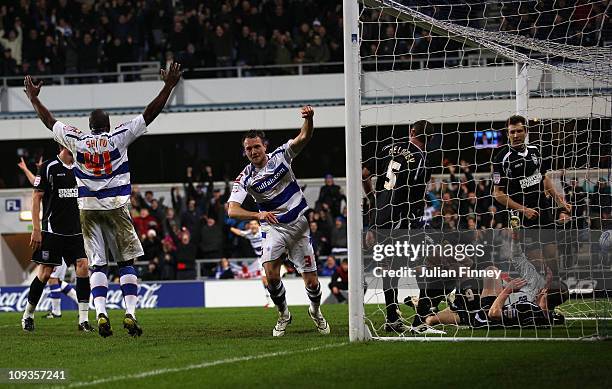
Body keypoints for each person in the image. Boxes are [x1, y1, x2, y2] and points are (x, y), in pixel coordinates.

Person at [23, 62, 182, 337]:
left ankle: (100, 313)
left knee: (97, 264)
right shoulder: (118, 138)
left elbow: (49, 122)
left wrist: (34, 98)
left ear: (89, 126)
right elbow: (149, 114)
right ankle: (130, 313)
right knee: (125, 263)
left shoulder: (77, 140)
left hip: (87, 210)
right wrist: (168, 86)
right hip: (116, 207)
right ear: (107, 125)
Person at [228, 106, 330, 337]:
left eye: (256, 146)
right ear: (244, 152)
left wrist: (309, 119)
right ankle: (284, 314)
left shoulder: (282, 156)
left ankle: (315, 311)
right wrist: (258, 215)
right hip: (273, 228)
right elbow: (232, 210)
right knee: (271, 276)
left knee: (312, 283)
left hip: (299, 225)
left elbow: (305, 136)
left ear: (265, 146)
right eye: (248, 149)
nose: (253, 151)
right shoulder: (245, 178)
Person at [363, 120, 442, 334]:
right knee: (424, 264)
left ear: (411, 131)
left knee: (391, 268)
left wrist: (374, 201)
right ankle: (420, 321)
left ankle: (391, 317)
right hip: (404, 219)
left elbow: (364, 174)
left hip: (381, 217)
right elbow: (414, 196)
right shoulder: (422, 159)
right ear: (431, 139)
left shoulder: (387, 147)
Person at [21, 144, 92, 332]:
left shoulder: (82, 167)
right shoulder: (49, 166)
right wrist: (36, 228)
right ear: (63, 145)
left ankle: (83, 320)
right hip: (53, 231)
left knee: (83, 266)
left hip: (76, 231)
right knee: (45, 273)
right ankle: (28, 314)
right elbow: (36, 197)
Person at [492, 115, 571, 269]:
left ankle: (556, 291)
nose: (515, 135)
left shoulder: (535, 151)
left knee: (552, 257)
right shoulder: (501, 158)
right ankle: (539, 290)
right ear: (507, 134)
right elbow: (498, 194)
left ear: (526, 131)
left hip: (543, 209)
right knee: (537, 264)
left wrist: (560, 201)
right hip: (522, 216)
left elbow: (544, 178)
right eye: (512, 132)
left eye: (519, 131)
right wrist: (523, 210)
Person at [230, 220, 271, 307]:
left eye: (255, 224)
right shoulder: (249, 233)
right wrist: (229, 227)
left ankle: (272, 300)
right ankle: (270, 301)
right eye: (251, 224)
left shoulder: (264, 230)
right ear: (249, 226)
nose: (253, 226)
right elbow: (239, 232)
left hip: (270, 257)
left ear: (258, 225)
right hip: (260, 259)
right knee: (264, 280)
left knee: (269, 279)